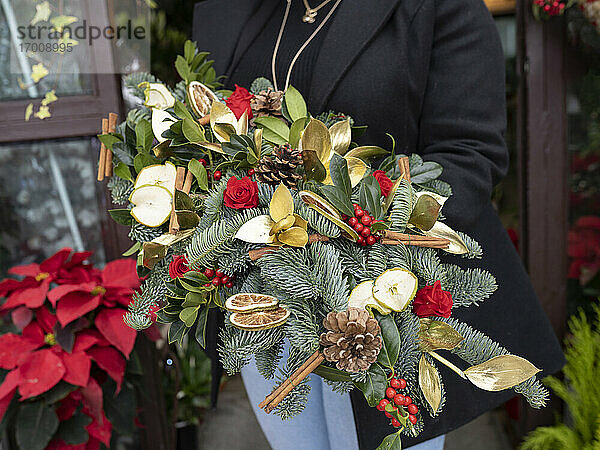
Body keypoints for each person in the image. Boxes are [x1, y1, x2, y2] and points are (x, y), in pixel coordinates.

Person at [192, 0, 565, 449]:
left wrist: (356, 232)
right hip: (258, 301)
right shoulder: (231, 8)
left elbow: (469, 153)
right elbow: (206, 136)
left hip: (380, 311)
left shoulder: (438, 7)